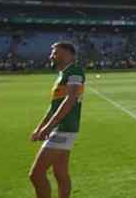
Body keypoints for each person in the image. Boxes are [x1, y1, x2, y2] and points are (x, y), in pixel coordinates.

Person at [28, 42, 85, 198]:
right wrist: (40, 127)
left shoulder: (75, 71)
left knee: (36, 174)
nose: (51, 56)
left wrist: (48, 127)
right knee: (60, 173)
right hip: (61, 128)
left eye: (55, 53)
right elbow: (53, 107)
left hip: (64, 129)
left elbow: (70, 100)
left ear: (69, 55)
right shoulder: (62, 75)